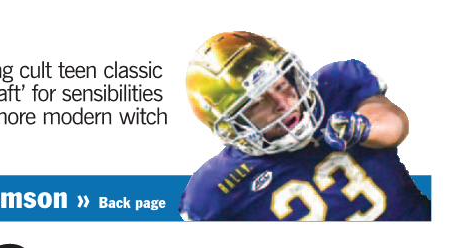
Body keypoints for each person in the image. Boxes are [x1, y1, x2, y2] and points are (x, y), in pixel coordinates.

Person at [181, 31, 430, 220]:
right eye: (258, 102)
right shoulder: (215, 192)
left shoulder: (334, 88)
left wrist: (364, 129)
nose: (282, 103)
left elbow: (394, 124)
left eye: (281, 85)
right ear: (232, 125)